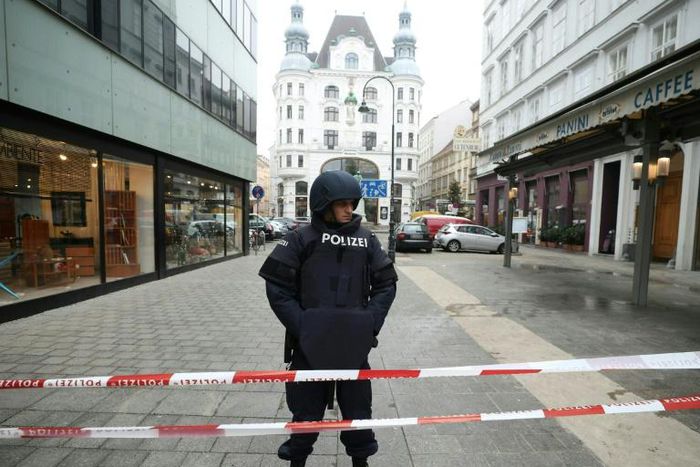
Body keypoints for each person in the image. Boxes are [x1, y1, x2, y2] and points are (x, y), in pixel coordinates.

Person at [259, 170, 398, 467]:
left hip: (354, 344)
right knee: (306, 412)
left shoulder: (367, 240)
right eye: (342, 203)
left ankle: (360, 461)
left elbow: (386, 284)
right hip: (310, 346)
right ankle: (298, 460)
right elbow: (277, 287)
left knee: (358, 411)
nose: (350, 209)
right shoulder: (300, 239)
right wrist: (304, 326)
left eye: (352, 203)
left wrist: (368, 324)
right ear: (323, 204)